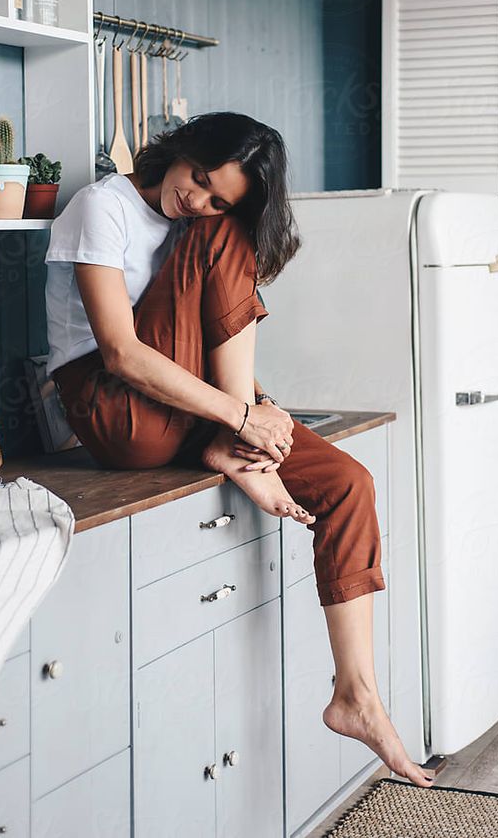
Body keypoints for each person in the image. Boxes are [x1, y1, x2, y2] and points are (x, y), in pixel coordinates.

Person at [44, 110, 435, 789]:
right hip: (113, 410)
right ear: (185, 148)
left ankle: (357, 695)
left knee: (350, 485)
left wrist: (257, 406)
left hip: (183, 409)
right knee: (222, 242)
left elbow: (196, 336)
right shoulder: (98, 207)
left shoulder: (193, 225)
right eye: (198, 178)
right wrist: (242, 413)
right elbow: (122, 351)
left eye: (217, 196)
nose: (195, 199)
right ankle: (234, 443)